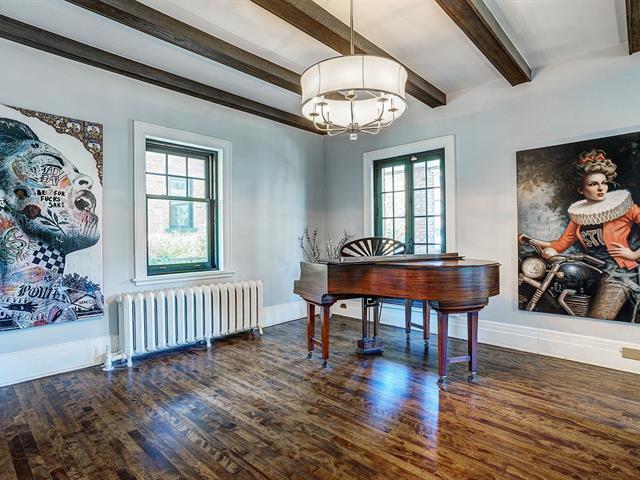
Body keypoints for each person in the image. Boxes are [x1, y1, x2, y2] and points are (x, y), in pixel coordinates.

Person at [0, 118, 100, 329]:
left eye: (75, 169)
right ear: (8, 196)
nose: (85, 179)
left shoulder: (81, 300)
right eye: (50, 164)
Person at [520, 149, 640, 320]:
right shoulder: (580, 216)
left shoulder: (624, 207)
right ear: (581, 189)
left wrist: (634, 254)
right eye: (593, 184)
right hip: (591, 274)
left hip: (619, 275)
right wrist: (529, 239)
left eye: (604, 183)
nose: (601, 188)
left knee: (598, 319)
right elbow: (560, 244)